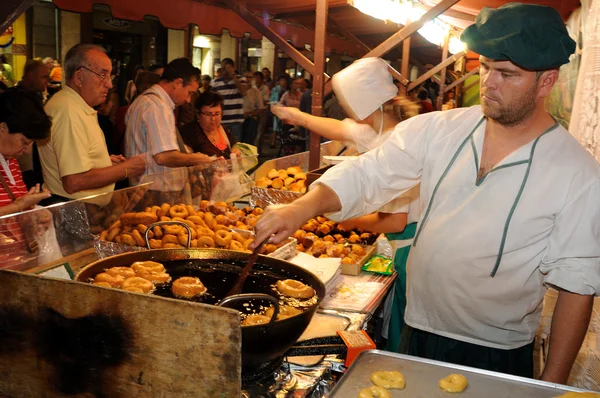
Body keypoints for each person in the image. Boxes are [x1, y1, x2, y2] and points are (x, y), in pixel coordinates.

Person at [254, 3, 599, 384]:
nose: (488, 83)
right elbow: (370, 173)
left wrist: (549, 386)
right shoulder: (440, 130)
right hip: (417, 325)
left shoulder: (576, 173)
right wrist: (302, 207)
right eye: (485, 67)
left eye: (506, 74)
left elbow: (577, 287)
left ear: (547, 82)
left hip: (496, 348)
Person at [273, 59, 420, 349]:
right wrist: (297, 116)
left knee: (405, 332)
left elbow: (395, 221)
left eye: (346, 101)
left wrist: (338, 218)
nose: (344, 108)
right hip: (402, 241)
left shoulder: (397, 143)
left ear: (363, 103)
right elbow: (339, 128)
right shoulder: (378, 127)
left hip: (409, 246)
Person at [38, 44, 146, 204]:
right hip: (71, 211)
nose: (109, 84)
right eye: (103, 75)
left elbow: (74, 161)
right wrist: (126, 169)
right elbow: (74, 181)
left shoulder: (77, 106)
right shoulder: (68, 110)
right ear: (79, 77)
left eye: (110, 76)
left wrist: (102, 162)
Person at [125, 57, 214, 186]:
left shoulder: (142, 101)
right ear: (177, 83)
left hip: (141, 185)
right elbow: (163, 156)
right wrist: (197, 158)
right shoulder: (158, 107)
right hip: (155, 189)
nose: (188, 100)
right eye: (189, 93)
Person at [0, 89, 51, 217]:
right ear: (2, 128)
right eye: (24, 142)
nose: (27, 150)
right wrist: (21, 204)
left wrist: (33, 217)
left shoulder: (11, 161)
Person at [15, 60, 51, 188]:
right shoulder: (15, 98)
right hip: (21, 163)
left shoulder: (37, 97)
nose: (47, 81)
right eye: (43, 77)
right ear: (30, 76)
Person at [180, 91, 242, 159]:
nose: (213, 118)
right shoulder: (189, 132)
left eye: (217, 114)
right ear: (198, 114)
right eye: (208, 114)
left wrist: (236, 150)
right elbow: (187, 160)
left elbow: (235, 145)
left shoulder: (222, 128)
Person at [114, 71, 161, 155]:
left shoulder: (123, 110)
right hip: (142, 161)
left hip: (124, 158)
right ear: (150, 87)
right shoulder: (155, 111)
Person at [210, 58, 244, 141]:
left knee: (235, 145)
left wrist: (234, 78)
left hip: (236, 120)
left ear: (233, 68)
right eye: (223, 68)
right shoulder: (215, 82)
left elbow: (244, 92)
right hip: (221, 120)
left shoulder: (241, 80)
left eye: (227, 68)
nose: (225, 71)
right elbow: (211, 99)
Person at [240, 79, 264, 144]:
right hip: (237, 119)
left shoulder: (255, 92)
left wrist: (249, 114)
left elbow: (261, 108)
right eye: (246, 77)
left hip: (250, 118)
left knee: (248, 140)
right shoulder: (237, 90)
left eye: (250, 77)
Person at [253, 71, 270, 148]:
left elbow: (266, 101)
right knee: (253, 130)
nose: (256, 79)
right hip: (253, 110)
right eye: (255, 77)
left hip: (263, 111)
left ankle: (258, 148)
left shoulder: (265, 88)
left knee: (260, 131)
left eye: (258, 77)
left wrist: (258, 99)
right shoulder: (252, 87)